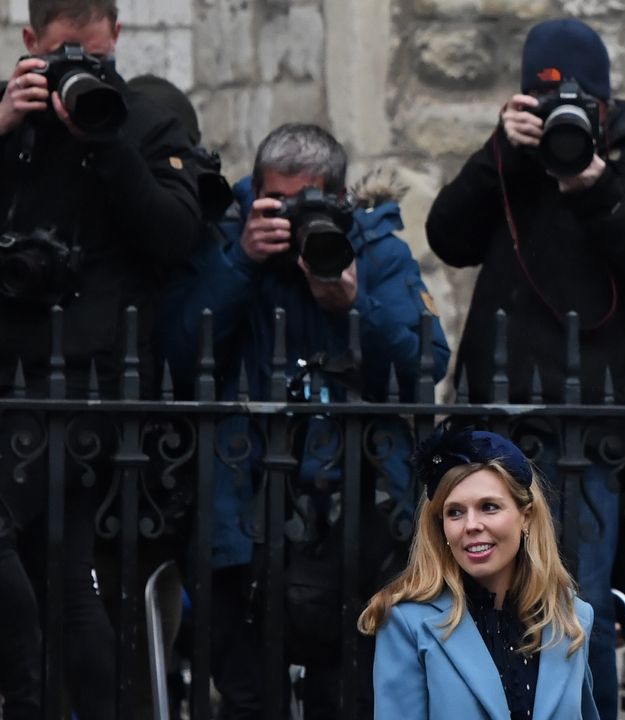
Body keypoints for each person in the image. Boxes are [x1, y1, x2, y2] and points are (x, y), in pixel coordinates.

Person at [426, 18, 625, 717]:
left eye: (575, 100)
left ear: (605, 102)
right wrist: (499, 154)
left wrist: (593, 185)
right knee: (480, 608)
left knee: (573, 611)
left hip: (591, 433)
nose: (560, 115)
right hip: (497, 420)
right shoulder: (513, 161)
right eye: (541, 99)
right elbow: (446, 237)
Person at [158, 122, 451, 718]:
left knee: (344, 697)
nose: (293, 220)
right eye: (278, 201)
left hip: (354, 515)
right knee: (248, 698)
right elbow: (179, 357)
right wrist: (240, 263)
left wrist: (352, 307)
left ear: (339, 198)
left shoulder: (377, 251)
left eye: (307, 202)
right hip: (240, 511)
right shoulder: (224, 243)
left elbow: (425, 369)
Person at [0, 1, 202, 717]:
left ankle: (25, 700)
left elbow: (177, 236)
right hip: (13, 378)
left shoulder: (144, 122)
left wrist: (105, 135)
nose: (77, 73)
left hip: (93, 384)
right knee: (63, 581)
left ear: (117, 37)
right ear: (28, 44)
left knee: (55, 570)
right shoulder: (10, 124)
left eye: (93, 57)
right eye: (61, 56)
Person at [360, 428, 599, 720]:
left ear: (526, 516)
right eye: (455, 512)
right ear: (441, 526)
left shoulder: (571, 617)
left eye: (489, 507)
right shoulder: (407, 622)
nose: (471, 525)